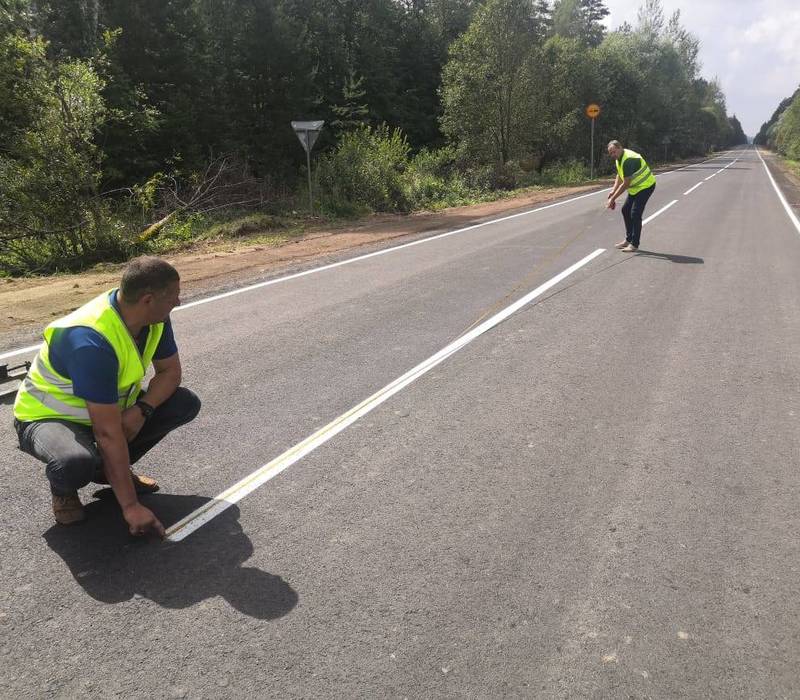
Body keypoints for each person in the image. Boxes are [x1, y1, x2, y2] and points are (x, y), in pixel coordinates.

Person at [13, 256, 201, 536]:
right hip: (48, 418)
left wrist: (142, 410)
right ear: (148, 299)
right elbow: (107, 433)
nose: (178, 302)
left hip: (108, 413)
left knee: (182, 403)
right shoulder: (91, 340)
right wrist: (131, 507)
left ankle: (110, 473)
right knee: (74, 462)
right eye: (174, 296)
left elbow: (170, 374)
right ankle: (65, 489)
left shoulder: (154, 320)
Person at [605, 140, 657, 252]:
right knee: (625, 210)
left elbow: (626, 183)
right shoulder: (619, 159)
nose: (613, 155)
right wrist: (613, 191)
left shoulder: (628, 160)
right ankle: (628, 240)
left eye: (614, 152)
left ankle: (634, 244)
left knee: (635, 214)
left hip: (646, 186)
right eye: (611, 153)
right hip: (635, 188)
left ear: (620, 148)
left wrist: (613, 199)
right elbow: (620, 175)